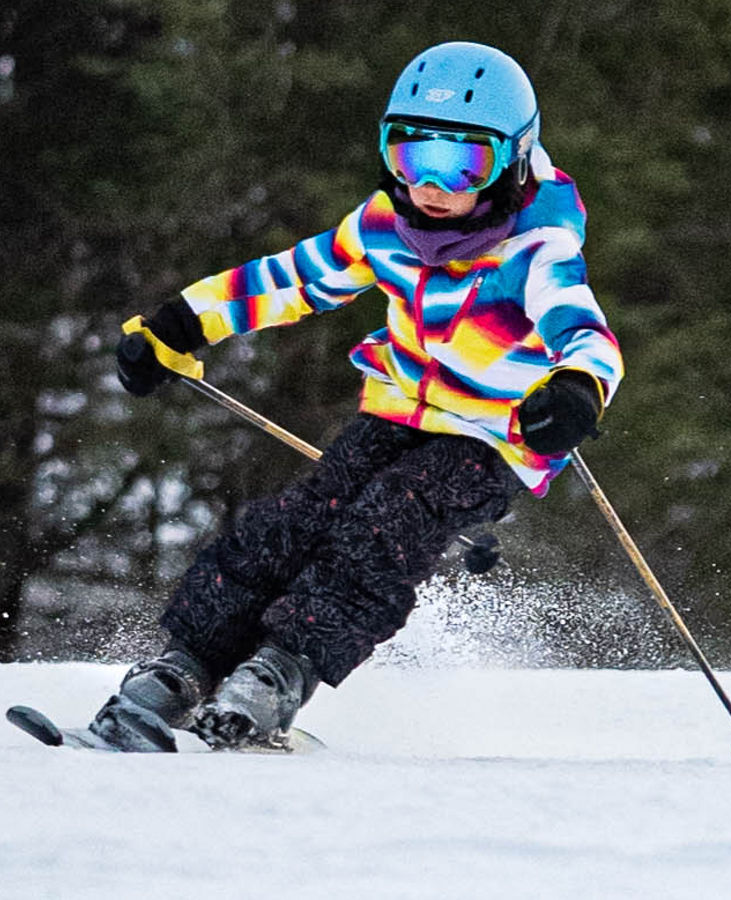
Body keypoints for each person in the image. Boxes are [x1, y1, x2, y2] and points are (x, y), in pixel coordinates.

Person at [90, 41, 620, 751]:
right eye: (411, 156)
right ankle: (185, 668)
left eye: (463, 164)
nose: (431, 185)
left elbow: (584, 332)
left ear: (513, 162)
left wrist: (578, 388)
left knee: (388, 522)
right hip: (397, 407)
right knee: (297, 521)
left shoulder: (536, 249)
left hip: (493, 433)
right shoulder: (383, 227)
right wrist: (180, 324)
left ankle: (278, 675)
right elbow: (292, 278)